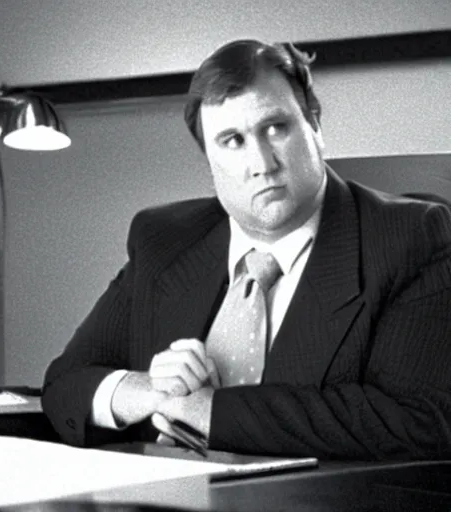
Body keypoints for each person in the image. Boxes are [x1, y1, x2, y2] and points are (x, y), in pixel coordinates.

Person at [42, 39, 451, 460]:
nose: (261, 162)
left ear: (314, 122)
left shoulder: (410, 238)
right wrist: (147, 391)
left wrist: (207, 410)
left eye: (275, 128)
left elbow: (417, 418)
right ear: (209, 160)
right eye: (232, 140)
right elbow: (65, 383)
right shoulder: (162, 241)